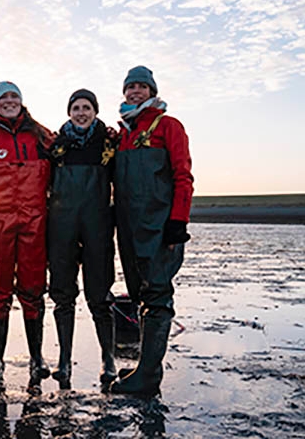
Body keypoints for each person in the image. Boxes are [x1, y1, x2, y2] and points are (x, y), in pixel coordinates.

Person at [110, 66, 194, 396]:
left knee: (158, 296)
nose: (135, 92)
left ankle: (149, 376)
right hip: (130, 231)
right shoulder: (125, 134)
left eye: (142, 87)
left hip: (160, 230)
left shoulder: (168, 126)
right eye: (130, 87)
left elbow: (183, 176)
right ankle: (146, 364)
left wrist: (178, 222)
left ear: (152, 91)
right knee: (140, 295)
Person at [0, 81, 53, 386]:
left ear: (22, 100)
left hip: (35, 224)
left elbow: (65, 158)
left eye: (14, 96)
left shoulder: (41, 135)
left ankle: (36, 358)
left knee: (33, 290)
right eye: (3, 97)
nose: (9, 101)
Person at [47, 89, 117, 390]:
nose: (81, 112)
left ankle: (108, 357)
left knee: (99, 295)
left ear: (95, 111)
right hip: (61, 228)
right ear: (69, 112)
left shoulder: (109, 143)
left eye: (86, 107)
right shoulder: (56, 146)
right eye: (76, 108)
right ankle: (64, 359)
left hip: (97, 226)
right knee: (63, 295)